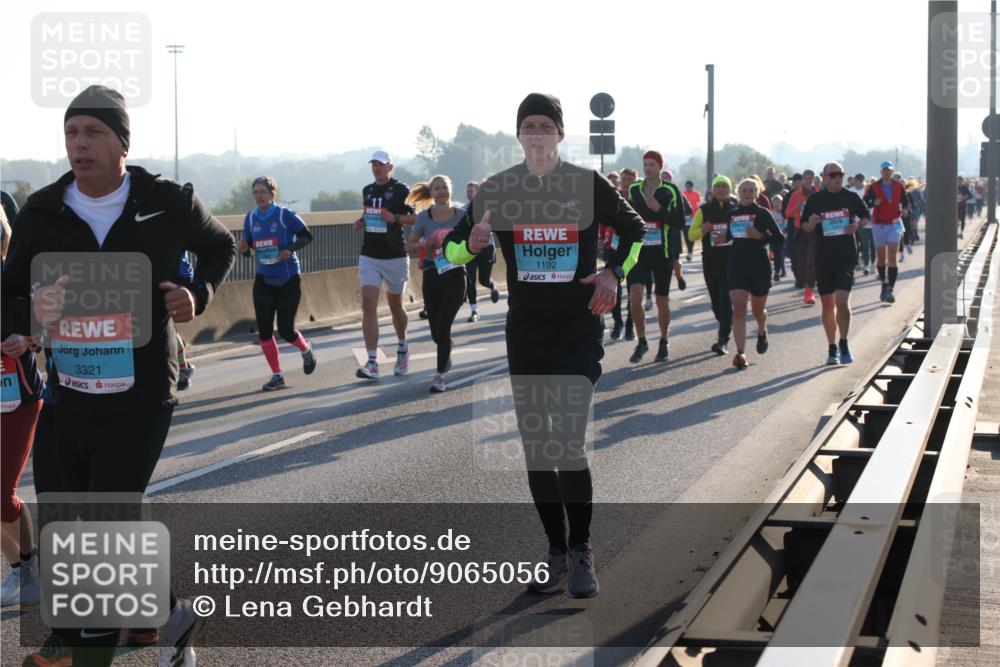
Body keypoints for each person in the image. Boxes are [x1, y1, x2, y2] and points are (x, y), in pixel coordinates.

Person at [3, 84, 236, 667]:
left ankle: (81, 649)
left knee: (103, 519)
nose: (79, 146)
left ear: (122, 142)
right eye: (71, 133)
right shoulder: (41, 212)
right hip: (68, 392)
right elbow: (8, 294)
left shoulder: (168, 201)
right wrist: (28, 318)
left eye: (93, 133)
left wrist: (195, 293)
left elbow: (221, 246)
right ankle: (163, 615)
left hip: (141, 395)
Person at [443, 93, 645, 598]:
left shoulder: (585, 184)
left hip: (578, 330)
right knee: (537, 450)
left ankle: (582, 550)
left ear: (558, 133)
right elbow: (448, 250)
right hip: (527, 332)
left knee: (567, 444)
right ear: (518, 135)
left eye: (544, 126)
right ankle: (555, 552)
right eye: (527, 126)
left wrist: (612, 273)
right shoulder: (499, 188)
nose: (535, 134)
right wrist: (472, 244)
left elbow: (636, 231)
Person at [1, 205, 43, 609]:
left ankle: (29, 571)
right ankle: (22, 570)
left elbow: (45, 325)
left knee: (2, 493)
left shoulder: (11, 277)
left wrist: (27, 338)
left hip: (18, 397)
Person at [239, 176, 316, 390]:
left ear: (273, 194)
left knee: (285, 330)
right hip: (264, 278)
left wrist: (288, 250)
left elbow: (307, 237)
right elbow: (251, 248)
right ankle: (277, 375)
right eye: (255, 192)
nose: (259, 196)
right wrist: (245, 248)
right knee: (264, 331)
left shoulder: (284, 215)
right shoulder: (251, 218)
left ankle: (305, 350)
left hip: (288, 278)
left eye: (263, 191)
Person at [353, 150, 416, 379]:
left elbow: (417, 218)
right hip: (370, 254)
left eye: (380, 164)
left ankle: (402, 346)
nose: (376, 168)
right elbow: (368, 212)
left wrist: (396, 218)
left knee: (395, 306)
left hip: (395, 255)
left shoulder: (401, 190)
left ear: (390, 167)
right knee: (368, 305)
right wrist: (361, 220)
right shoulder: (367, 190)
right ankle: (372, 362)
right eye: (373, 164)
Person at [802, 162, 871, 365]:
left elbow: (865, 217)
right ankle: (831, 348)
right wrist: (812, 223)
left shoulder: (851, 197)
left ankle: (844, 342)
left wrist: (857, 225)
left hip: (846, 255)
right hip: (824, 256)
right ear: (824, 177)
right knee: (828, 304)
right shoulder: (815, 200)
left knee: (842, 300)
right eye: (832, 175)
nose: (837, 178)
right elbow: (804, 226)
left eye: (840, 174)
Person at [406, 176, 467, 393]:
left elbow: (475, 241)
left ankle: (439, 375)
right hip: (433, 273)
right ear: (431, 193)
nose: (441, 192)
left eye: (444, 188)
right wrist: (427, 242)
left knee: (443, 326)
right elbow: (410, 245)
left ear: (450, 191)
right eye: (437, 188)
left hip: (456, 275)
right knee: (435, 332)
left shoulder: (462, 216)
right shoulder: (424, 217)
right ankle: (446, 346)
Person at [626, 151, 686, 363]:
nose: (648, 168)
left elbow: (679, 221)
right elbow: (626, 216)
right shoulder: (634, 189)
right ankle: (642, 341)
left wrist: (659, 209)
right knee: (635, 296)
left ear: (660, 167)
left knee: (661, 300)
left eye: (652, 164)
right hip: (639, 252)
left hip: (663, 252)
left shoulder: (670, 190)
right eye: (645, 164)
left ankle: (663, 340)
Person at [725, 179, 784, 369]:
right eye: (744, 190)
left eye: (751, 190)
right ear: (738, 192)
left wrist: (759, 236)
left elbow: (779, 238)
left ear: (757, 193)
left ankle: (761, 327)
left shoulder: (762, 213)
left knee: (757, 310)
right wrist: (722, 237)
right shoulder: (732, 214)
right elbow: (729, 234)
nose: (747, 193)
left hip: (759, 265)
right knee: (739, 306)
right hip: (737, 264)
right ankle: (741, 352)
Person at [689, 176, 738, 355]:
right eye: (717, 186)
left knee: (725, 301)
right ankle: (725, 323)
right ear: (713, 190)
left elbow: (743, 232)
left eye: (724, 186)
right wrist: (703, 229)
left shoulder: (737, 208)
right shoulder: (704, 210)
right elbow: (691, 235)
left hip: (732, 261)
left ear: (729, 188)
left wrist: (729, 237)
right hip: (710, 261)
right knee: (716, 303)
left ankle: (723, 339)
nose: (721, 189)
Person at [865, 161, 908, 303]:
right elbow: (866, 201)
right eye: (884, 170)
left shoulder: (898, 186)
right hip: (878, 224)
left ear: (892, 171)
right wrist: (873, 203)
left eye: (889, 170)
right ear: (880, 172)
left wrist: (906, 209)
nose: (886, 172)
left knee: (893, 257)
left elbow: (905, 201)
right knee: (881, 257)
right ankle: (883, 283)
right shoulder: (874, 186)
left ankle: (890, 289)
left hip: (894, 224)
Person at [462, 180, 501, 322]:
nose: (469, 194)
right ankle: (474, 311)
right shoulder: (464, 209)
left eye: (472, 191)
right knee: (470, 280)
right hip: (471, 249)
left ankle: (492, 285)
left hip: (486, 248)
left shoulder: (488, 209)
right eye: (467, 191)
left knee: (483, 280)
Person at [784, 169, 820, 304]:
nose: (808, 180)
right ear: (802, 180)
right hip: (800, 231)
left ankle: (812, 290)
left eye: (811, 178)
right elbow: (787, 214)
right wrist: (798, 207)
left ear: (814, 179)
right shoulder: (796, 195)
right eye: (806, 178)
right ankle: (807, 291)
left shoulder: (819, 193)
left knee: (812, 261)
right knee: (803, 263)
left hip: (817, 231)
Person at [618, 168, 639, 341]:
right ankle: (618, 321)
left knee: (633, 290)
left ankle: (630, 325)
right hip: (614, 247)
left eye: (630, 180)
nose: (626, 182)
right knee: (615, 287)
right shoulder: (613, 197)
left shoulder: (638, 199)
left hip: (633, 248)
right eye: (624, 179)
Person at [175, 252, 196, 390]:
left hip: (178, 276)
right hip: (168, 273)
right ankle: (184, 367)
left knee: (166, 326)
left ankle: (184, 369)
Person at [849, 172, 874, 276]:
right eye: (858, 181)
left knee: (873, 244)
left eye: (861, 181)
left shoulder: (868, 190)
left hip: (872, 221)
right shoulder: (850, 191)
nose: (859, 183)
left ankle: (873, 264)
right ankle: (865, 265)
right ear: (855, 180)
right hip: (859, 222)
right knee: (864, 244)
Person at [681, 180, 702, 261]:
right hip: (685, 218)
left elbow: (698, 204)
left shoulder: (696, 194)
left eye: (689, 186)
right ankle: (689, 250)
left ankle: (690, 251)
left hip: (694, 217)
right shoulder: (683, 194)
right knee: (686, 235)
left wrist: (696, 213)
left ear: (692, 186)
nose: (687, 188)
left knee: (691, 234)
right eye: (686, 186)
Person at [770, 193, 787, 282]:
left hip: (783, 237)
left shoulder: (784, 213)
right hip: (774, 237)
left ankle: (781, 270)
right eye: (775, 202)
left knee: (781, 254)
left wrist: (784, 230)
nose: (777, 204)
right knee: (776, 255)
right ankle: (777, 271)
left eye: (779, 202)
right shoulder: (771, 214)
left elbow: (787, 223)